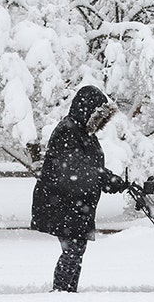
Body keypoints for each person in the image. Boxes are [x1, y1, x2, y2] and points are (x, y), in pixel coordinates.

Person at [31, 85, 130, 292]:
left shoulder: (82, 132)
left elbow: (89, 168)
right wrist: (107, 180)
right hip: (62, 202)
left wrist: (109, 179)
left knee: (75, 250)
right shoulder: (69, 131)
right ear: (88, 110)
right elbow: (78, 170)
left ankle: (66, 292)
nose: (100, 121)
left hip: (73, 202)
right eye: (98, 115)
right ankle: (61, 292)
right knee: (73, 250)